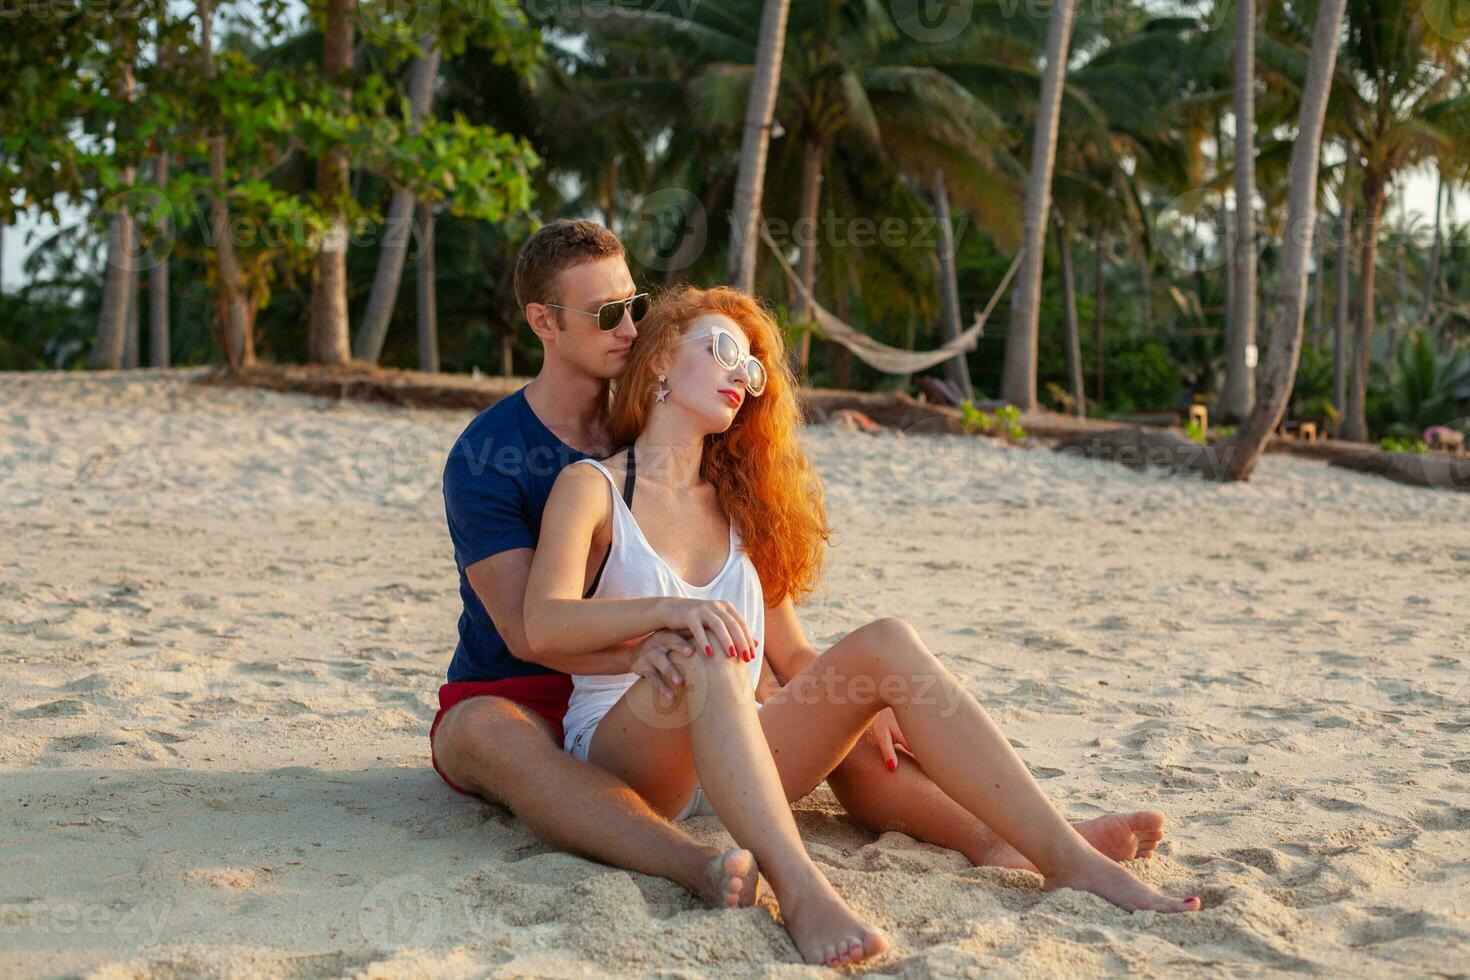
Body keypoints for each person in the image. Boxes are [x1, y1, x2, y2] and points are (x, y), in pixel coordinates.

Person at [432, 218, 1175, 922]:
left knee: (868, 676)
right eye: (605, 314)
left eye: (635, 306)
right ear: (544, 323)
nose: (628, 327)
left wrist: (854, 698)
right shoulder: (508, 457)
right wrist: (660, 633)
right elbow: (531, 630)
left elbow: (785, 650)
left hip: (688, 699)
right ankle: (703, 865)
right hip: (529, 692)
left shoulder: (710, 474)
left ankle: (1024, 842)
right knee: (502, 732)